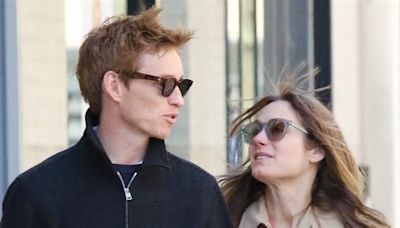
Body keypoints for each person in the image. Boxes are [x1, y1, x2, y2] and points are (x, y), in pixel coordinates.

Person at [1, 8, 232, 228]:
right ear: (114, 86)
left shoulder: (200, 194)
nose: (178, 99)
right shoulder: (36, 194)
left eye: (181, 85)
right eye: (166, 84)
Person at [219, 72, 389, 228]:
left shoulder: (357, 225)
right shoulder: (220, 219)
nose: (258, 139)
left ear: (316, 150)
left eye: (277, 128)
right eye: (255, 130)